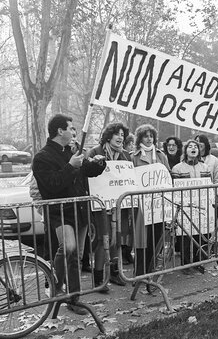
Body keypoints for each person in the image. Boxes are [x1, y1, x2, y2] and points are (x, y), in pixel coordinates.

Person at [32, 114, 106, 315]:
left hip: (79, 210)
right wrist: (71, 166)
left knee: (76, 256)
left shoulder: (72, 152)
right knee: (69, 247)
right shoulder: (42, 157)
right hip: (59, 213)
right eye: (71, 128)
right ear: (60, 131)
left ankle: (74, 299)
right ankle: (55, 284)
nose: (74, 132)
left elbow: (88, 171)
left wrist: (99, 162)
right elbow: (52, 185)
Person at [88, 122, 133, 292]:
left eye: (123, 134)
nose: (121, 137)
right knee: (103, 239)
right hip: (101, 205)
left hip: (119, 205)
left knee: (116, 239)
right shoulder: (95, 152)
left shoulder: (126, 156)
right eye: (117, 134)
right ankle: (98, 277)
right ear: (108, 136)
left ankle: (114, 273)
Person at [130, 124, 170, 279]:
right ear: (140, 138)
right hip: (142, 206)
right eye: (145, 136)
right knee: (141, 242)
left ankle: (151, 272)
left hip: (159, 205)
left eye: (151, 136)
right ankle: (139, 274)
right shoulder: (133, 156)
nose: (148, 139)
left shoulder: (161, 156)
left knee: (156, 239)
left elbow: (167, 176)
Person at [171, 140, 213, 272]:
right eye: (190, 146)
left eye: (196, 147)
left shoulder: (205, 167)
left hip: (200, 206)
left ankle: (197, 262)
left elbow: (209, 185)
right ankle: (185, 263)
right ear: (186, 150)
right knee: (185, 235)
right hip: (185, 206)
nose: (193, 148)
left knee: (199, 233)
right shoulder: (177, 168)